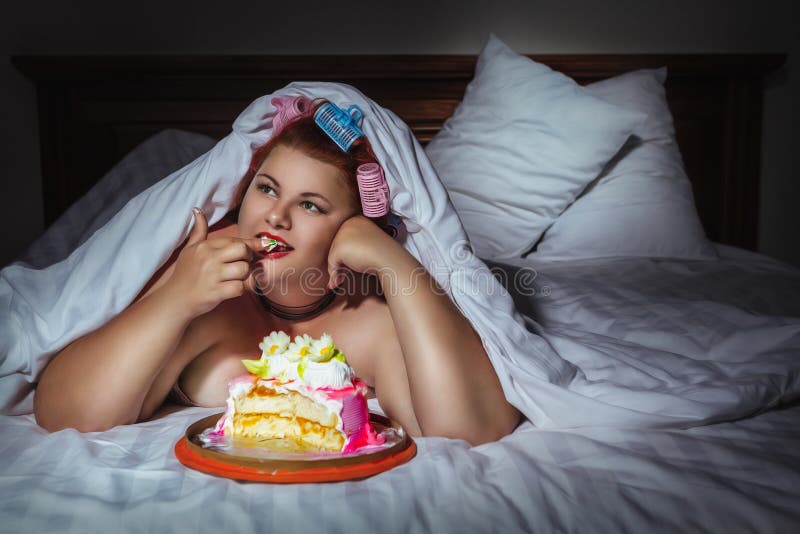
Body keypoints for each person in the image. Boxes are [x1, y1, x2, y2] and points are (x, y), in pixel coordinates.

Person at [33, 98, 521, 445]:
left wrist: (392, 261)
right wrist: (175, 300)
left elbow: (468, 432)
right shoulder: (204, 268)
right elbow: (65, 413)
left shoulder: (374, 315)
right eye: (267, 189)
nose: (276, 217)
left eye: (310, 204)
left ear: (356, 226)